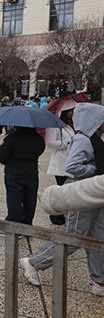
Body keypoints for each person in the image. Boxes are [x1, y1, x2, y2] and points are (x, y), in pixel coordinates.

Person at [20, 103, 104, 295]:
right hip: (81, 193)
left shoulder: (95, 139)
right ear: (95, 120)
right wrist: (97, 170)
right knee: (74, 237)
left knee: (98, 237)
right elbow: (72, 167)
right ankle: (33, 262)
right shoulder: (83, 140)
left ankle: (100, 281)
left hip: (95, 194)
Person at [0, 126, 45, 231]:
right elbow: (40, 150)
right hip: (32, 172)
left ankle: (14, 226)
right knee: (30, 200)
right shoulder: (38, 138)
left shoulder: (11, 138)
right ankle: (27, 224)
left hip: (14, 173)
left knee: (14, 201)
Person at [44, 105, 76, 225]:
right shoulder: (54, 125)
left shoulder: (70, 126)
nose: (72, 113)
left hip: (70, 162)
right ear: (64, 112)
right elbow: (50, 143)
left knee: (67, 190)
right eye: (70, 111)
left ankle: (65, 214)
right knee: (62, 189)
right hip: (60, 163)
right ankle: (57, 216)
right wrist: (68, 142)